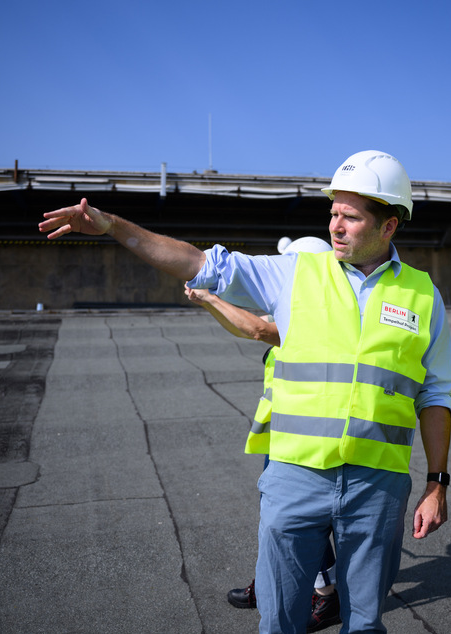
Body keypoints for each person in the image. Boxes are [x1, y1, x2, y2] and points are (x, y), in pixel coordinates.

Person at [39, 150, 451, 634]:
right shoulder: (297, 273)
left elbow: (435, 396)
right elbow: (199, 262)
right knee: (279, 621)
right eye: (333, 213)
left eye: (351, 217)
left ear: (389, 227)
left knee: (364, 624)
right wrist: (113, 226)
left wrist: (437, 483)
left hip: (378, 487)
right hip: (295, 479)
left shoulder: (424, 296)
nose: (336, 226)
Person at [184, 235, 343, 632]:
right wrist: (210, 303)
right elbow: (248, 329)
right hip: (287, 431)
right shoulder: (310, 308)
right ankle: (274, 582)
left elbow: (256, 329)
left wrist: (211, 298)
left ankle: (325, 596)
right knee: (274, 513)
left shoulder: (313, 320)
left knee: (297, 516)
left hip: (305, 438)